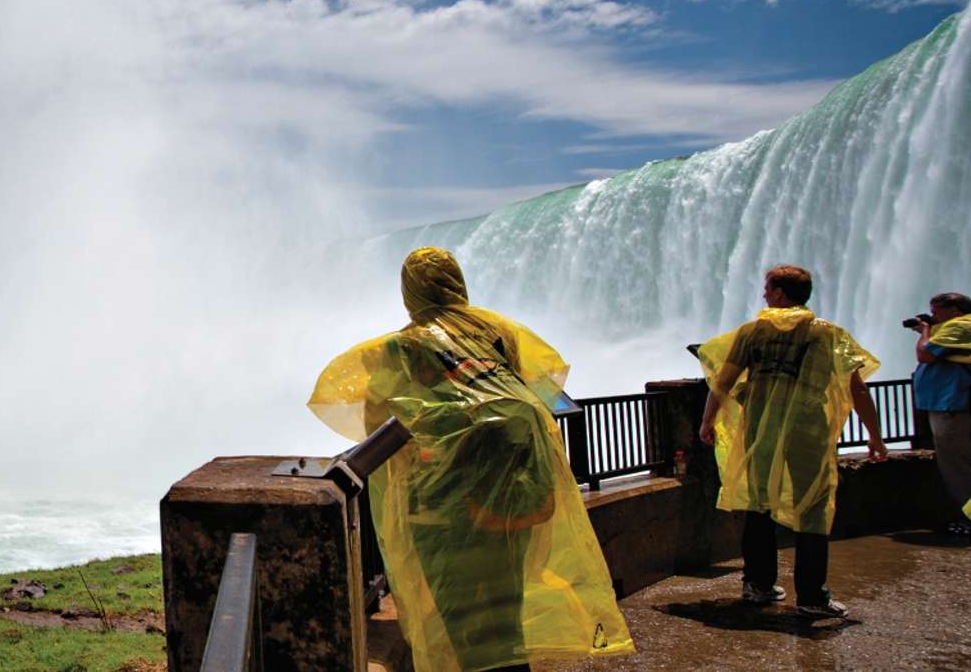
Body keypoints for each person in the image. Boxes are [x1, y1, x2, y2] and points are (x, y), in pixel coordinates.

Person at [310, 247, 633, 672]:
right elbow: (526, 390)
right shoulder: (497, 333)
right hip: (514, 496)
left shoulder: (404, 348)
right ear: (457, 282)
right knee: (506, 613)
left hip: (444, 509)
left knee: (460, 621)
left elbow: (376, 421)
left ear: (410, 292)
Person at [696, 264, 886, 618]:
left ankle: (758, 584)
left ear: (781, 292)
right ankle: (812, 596)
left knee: (758, 504)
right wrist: (874, 437)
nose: (764, 294)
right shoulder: (827, 334)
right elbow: (856, 388)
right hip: (806, 432)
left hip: (760, 432)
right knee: (812, 509)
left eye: (768, 288)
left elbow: (722, 382)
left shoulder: (753, 332)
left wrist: (708, 420)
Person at [911, 291, 971, 538]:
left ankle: (968, 521)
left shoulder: (959, 326)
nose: (933, 317)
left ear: (955, 311)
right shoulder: (958, 327)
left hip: (952, 406)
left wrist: (925, 331)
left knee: (958, 467)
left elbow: (925, 354)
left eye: (936, 312)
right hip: (953, 405)